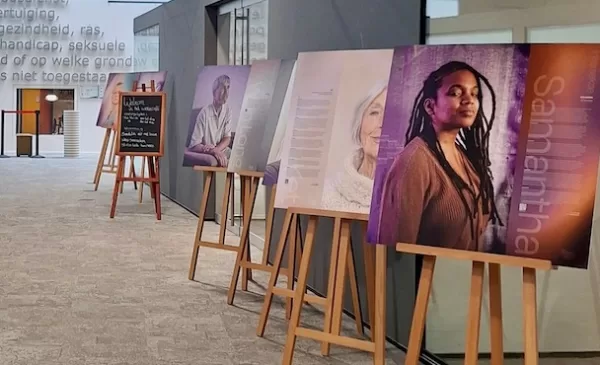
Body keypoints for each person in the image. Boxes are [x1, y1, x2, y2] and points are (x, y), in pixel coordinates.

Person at [376, 61, 502, 252]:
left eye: (474, 93)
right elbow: (395, 251)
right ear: (430, 106)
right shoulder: (414, 162)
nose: (468, 100)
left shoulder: (465, 158)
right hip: (430, 278)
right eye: (456, 93)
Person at [322, 83, 388, 213]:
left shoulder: (418, 202)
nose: (382, 123)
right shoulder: (327, 193)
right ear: (359, 124)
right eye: (374, 112)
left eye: (392, 114)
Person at [185, 74, 233, 167]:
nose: (225, 93)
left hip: (220, 149)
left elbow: (227, 138)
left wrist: (217, 150)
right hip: (207, 150)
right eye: (222, 89)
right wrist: (212, 151)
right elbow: (194, 145)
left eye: (227, 88)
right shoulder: (204, 113)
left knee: (237, 162)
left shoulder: (228, 110)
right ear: (214, 92)